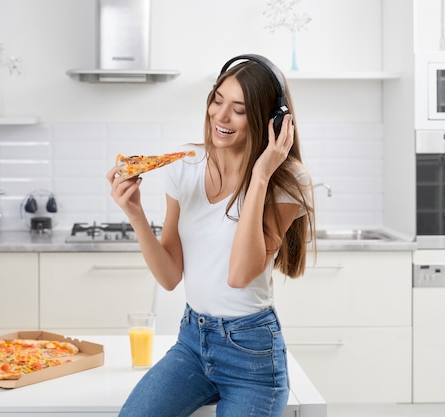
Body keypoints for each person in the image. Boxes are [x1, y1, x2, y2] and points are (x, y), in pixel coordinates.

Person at [106, 53, 316, 417]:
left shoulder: (287, 179)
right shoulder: (185, 166)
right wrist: (135, 214)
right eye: (217, 100)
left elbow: (239, 274)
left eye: (238, 108)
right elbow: (170, 276)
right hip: (193, 342)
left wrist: (262, 174)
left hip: (252, 356)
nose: (220, 116)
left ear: (271, 121)